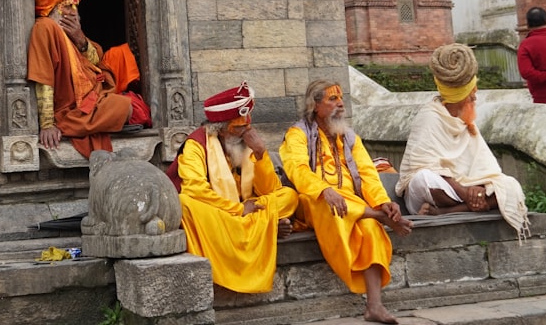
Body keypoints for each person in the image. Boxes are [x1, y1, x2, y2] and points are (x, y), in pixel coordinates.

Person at [279, 80, 412, 324]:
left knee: (371, 229)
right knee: (326, 202)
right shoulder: (297, 134)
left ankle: (374, 306)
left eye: (341, 99)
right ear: (315, 105)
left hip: (351, 203)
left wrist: (383, 201)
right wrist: (324, 190)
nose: (340, 104)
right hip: (313, 200)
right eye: (332, 99)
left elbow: (367, 173)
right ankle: (373, 214)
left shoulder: (349, 136)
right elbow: (297, 170)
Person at [166, 82, 299, 293]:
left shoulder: (245, 143)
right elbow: (195, 191)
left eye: (248, 125)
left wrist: (260, 153)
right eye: (239, 128)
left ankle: (260, 223)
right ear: (219, 129)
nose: (247, 132)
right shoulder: (196, 145)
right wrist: (239, 210)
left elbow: (270, 190)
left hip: (243, 209)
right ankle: (266, 225)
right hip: (219, 213)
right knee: (186, 203)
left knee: (289, 196)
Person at [397, 44, 531, 240]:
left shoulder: (466, 121)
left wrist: (476, 188)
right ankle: (470, 204)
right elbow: (422, 166)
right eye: (471, 93)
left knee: (510, 185)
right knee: (424, 178)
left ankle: (446, 212)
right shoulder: (430, 116)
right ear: (461, 96)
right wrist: (466, 191)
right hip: (436, 191)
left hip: (462, 193)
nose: (475, 96)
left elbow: (484, 166)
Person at [27, 0, 132, 158]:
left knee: (131, 106)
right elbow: (44, 78)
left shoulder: (69, 32)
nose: (73, 12)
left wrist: (80, 38)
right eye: (67, 6)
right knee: (127, 107)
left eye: (75, 7)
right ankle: (70, 125)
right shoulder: (45, 27)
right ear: (51, 7)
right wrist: (47, 125)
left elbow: (96, 61)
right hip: (71, 110)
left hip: (92, 99)